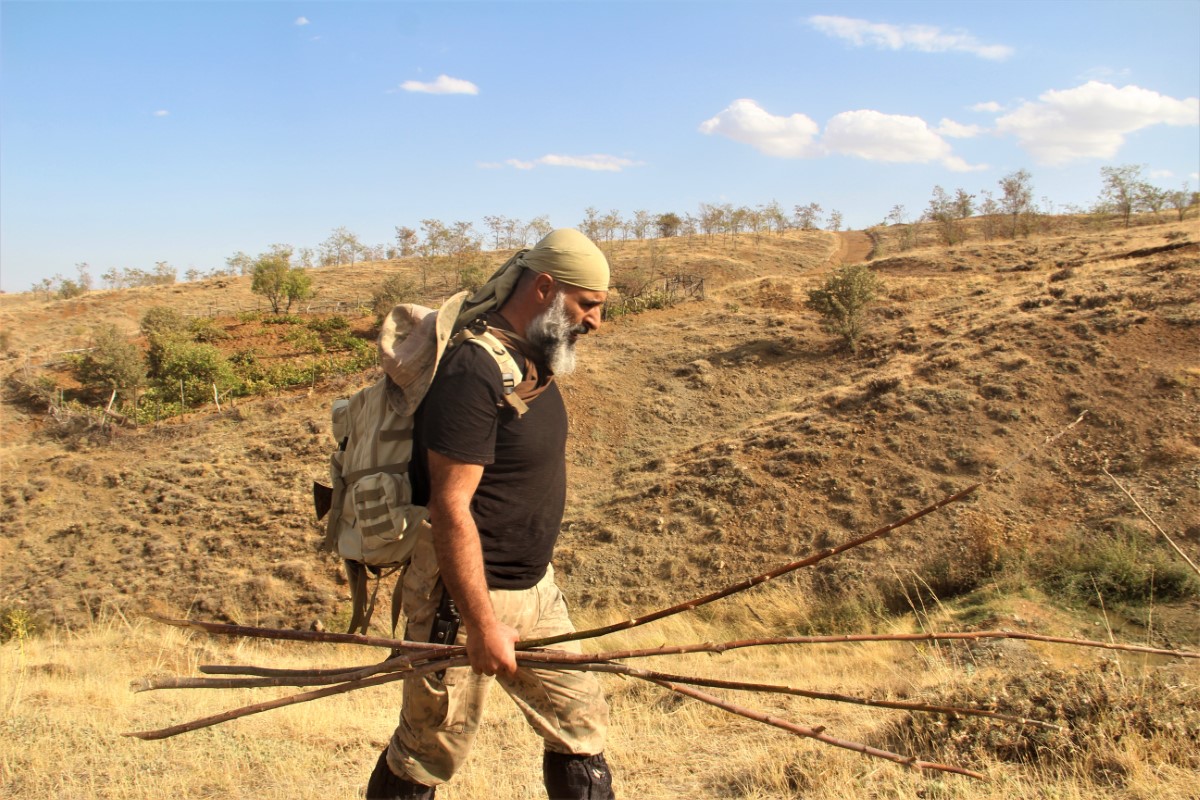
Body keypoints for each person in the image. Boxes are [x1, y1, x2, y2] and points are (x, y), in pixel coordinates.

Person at [366, 229, 616, 800]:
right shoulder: (473, 372)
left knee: (580, 732)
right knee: (428, 753)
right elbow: (450, 506)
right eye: (588, 304)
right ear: (545, 288)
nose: (595, 322)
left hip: (538, 591)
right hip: (464, 599)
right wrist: (479, 623)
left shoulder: (530, 362)